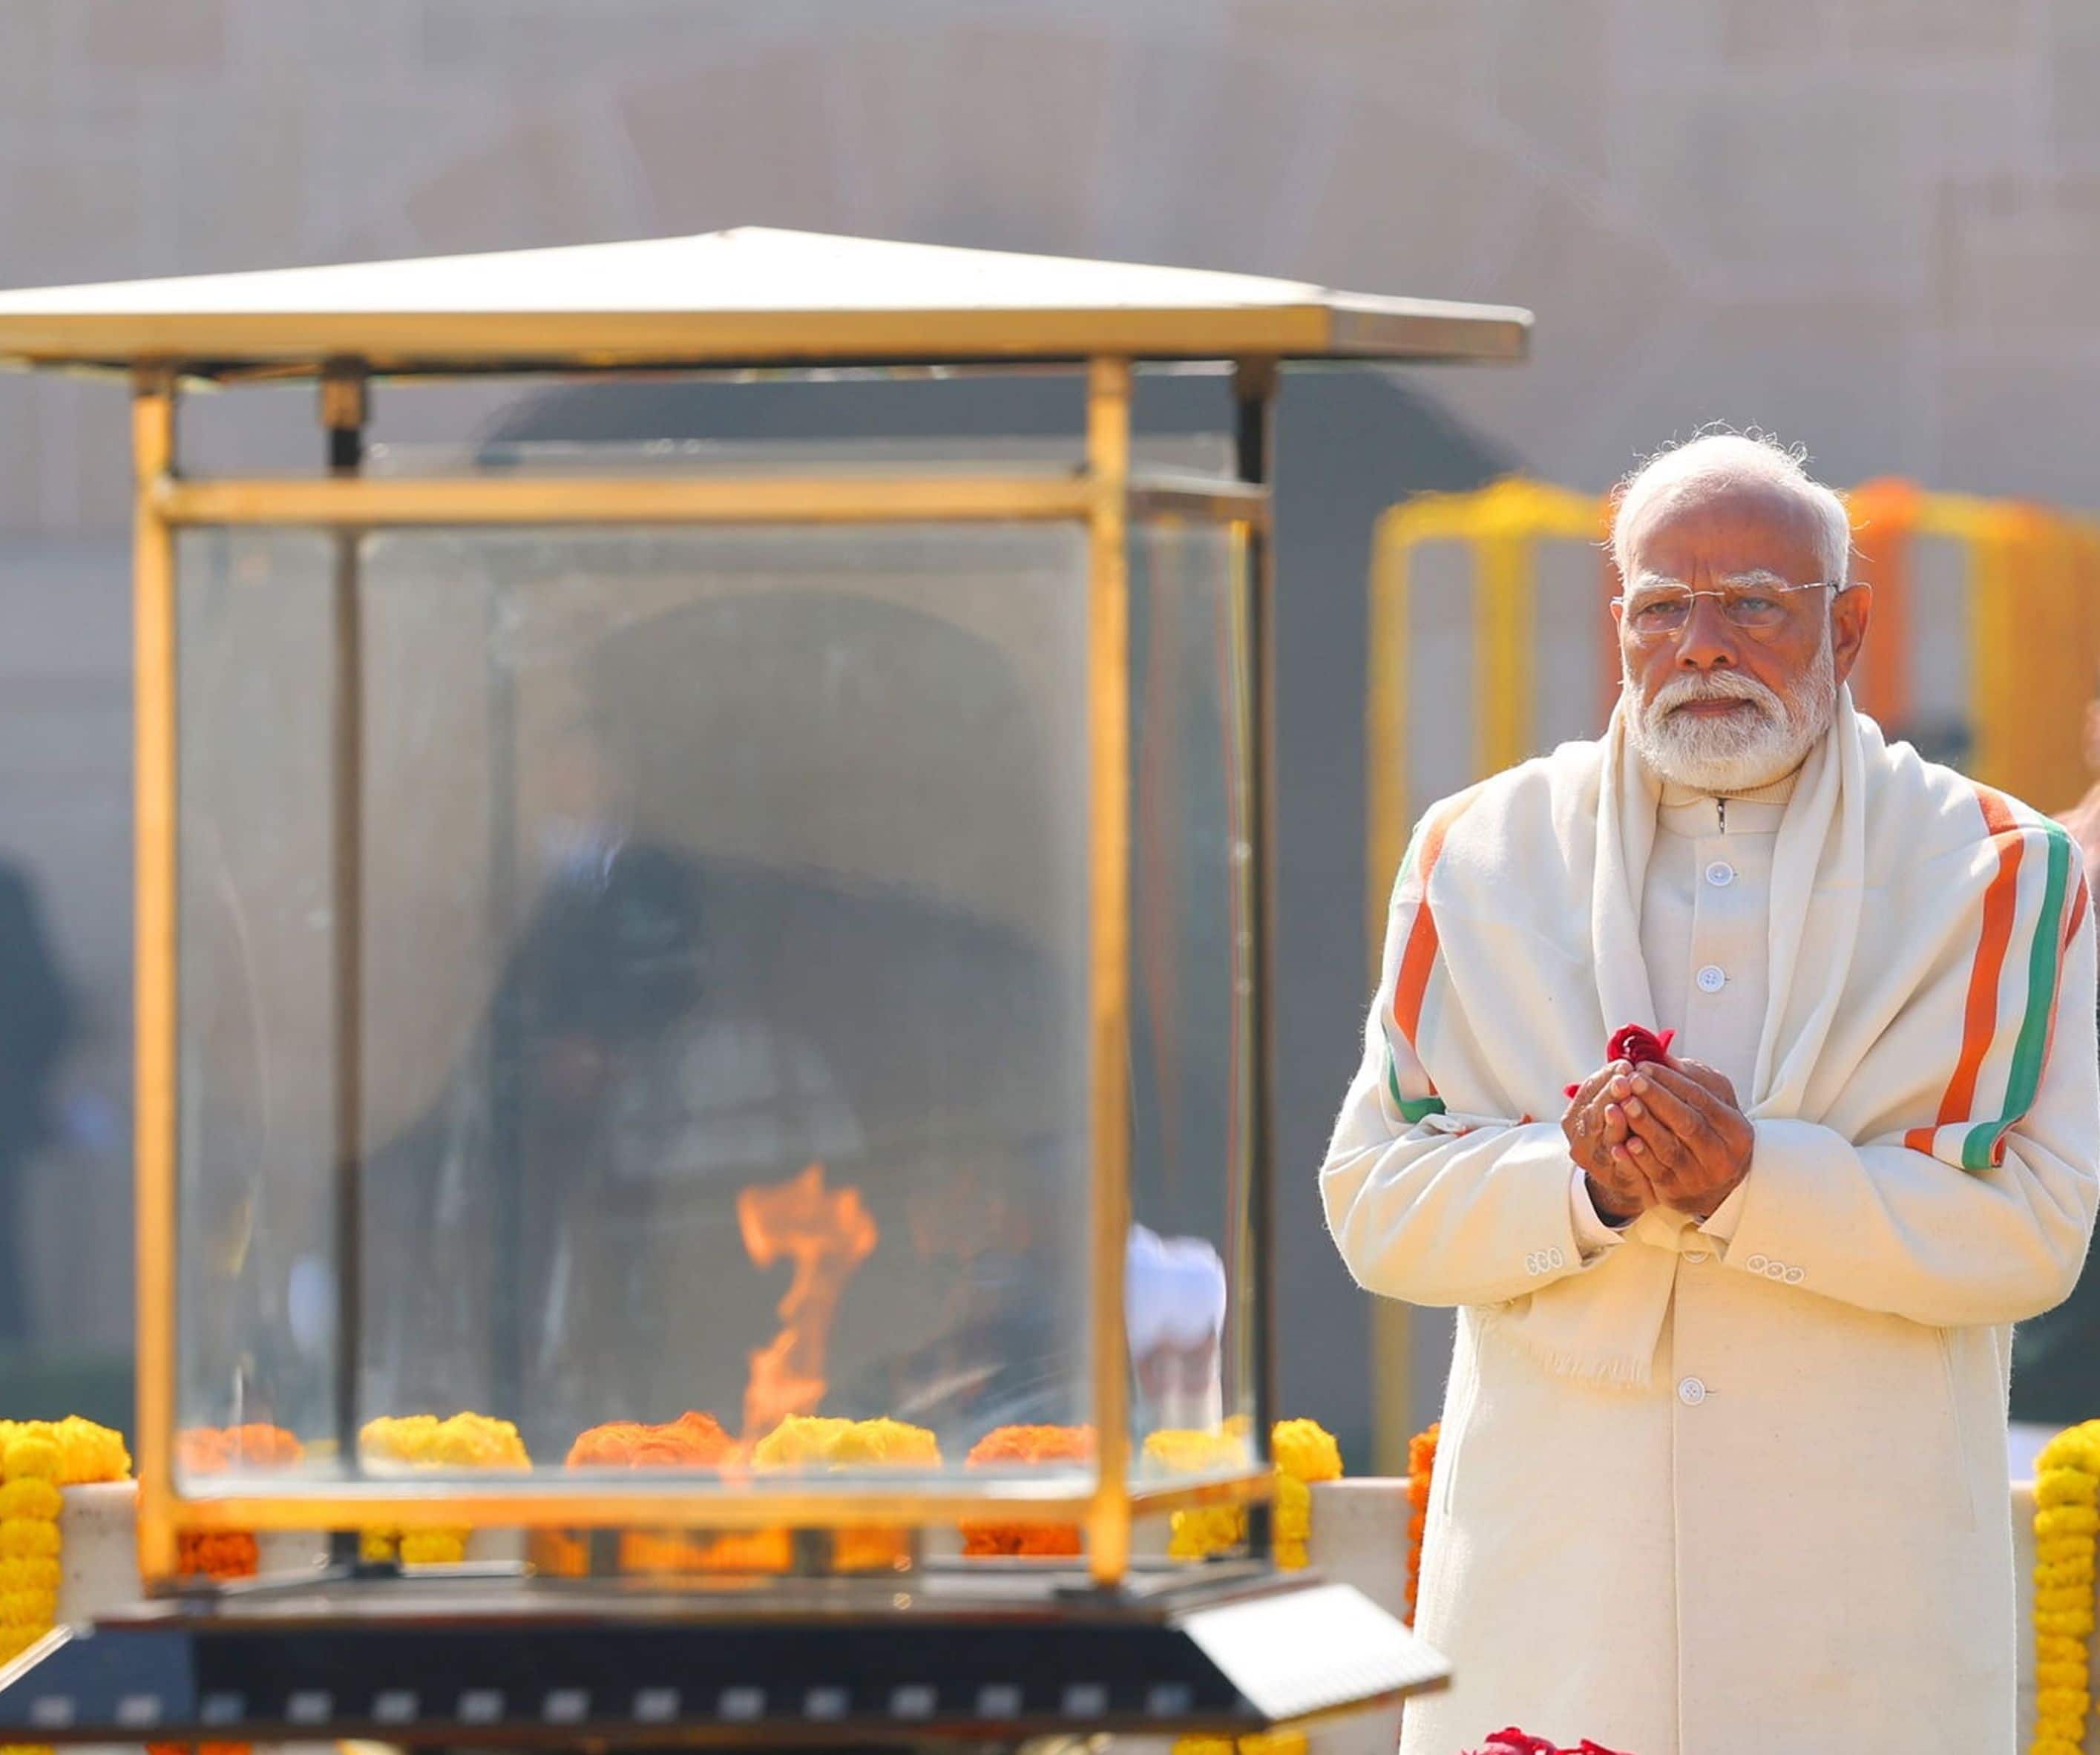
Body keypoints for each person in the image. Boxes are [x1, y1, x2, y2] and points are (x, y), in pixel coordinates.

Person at [1320, 433, 2099, 1754]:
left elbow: (2032, 1234)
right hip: (1558, 1596)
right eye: (1663, 608)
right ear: (1616, 625)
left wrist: (1753, 1181)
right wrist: (1582, 1186)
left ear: (1845, 626)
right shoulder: (1477, 853)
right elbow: (1372, 1203)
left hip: (1858, 1616)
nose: (1701, 645)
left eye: (1750, 602)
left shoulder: (1996, 871)